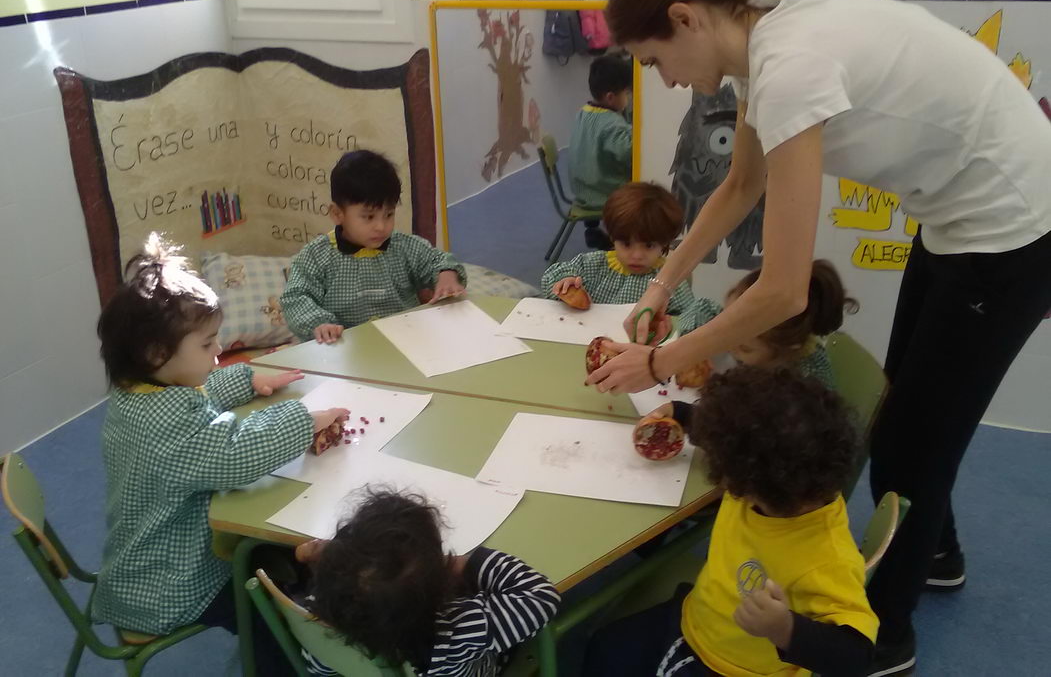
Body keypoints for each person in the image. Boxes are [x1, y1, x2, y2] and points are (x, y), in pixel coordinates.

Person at [586, 0, 1051, 675]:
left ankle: (886, 637)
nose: (665, 81)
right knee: (908, 412)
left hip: (1012, 229)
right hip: (956, 217)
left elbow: (782, 291)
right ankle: (936, 550)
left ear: (685, 19)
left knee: (906, 446)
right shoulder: (761, 43)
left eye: (654, 60)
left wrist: (663, 359)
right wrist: (660, 283)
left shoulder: (791, 67)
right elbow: (741, 184)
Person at [93, 234, 348, 674]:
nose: (218, 354)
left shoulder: (139, 394)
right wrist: (304, 419)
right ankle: (287, 664)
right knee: (268, 610)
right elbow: (236, 456)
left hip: (143, 563)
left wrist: (246, 382)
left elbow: (198, 397)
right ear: (156, 353)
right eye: (208, 344)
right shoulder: (167, 425)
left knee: (278, 556)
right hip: (171, 582)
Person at [584, 366, 877, 676]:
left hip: (733, 666)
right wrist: (680, 413)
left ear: (747, 483)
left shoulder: (828, 558)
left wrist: (785, 629)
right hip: (698, 615)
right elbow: (737, 433)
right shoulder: (780, 472)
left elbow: (855, 657)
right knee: (604, 649)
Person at [294, 489, 561, 676]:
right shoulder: (458, 626)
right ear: (442, 583)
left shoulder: (324, 608)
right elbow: (540, 596)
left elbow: (319, 668)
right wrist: (464, 562)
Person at [281, 149, 466, 343]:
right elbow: (295, 297)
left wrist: (446, 275)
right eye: (369, 217)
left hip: (406, 344)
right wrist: (319, 324)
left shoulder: (405, 247)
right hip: (343, 351)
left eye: (389, 214)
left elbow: (437, 260)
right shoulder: (316, 256)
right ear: (337, 214)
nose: (381, 226)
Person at [680, 259, 858, 387]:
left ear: (787, 349)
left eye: (744, 348)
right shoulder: (745, 329)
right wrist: (696, 345)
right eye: (725, 327)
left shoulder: (804, 383)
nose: (728, 342)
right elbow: (703, 306)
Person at [542, 182, 695, 322]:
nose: (636, 256)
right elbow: (550, 280)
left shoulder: (669, 279)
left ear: (664, 243)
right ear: (613, 237)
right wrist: (565, 281)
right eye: (626, 244)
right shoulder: (593, 265)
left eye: (648, 245)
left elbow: (688, 320)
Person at [568, 53, 635, 249]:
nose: (629, 98)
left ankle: (593, 228)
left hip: (582, 189)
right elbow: (629, 154)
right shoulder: (612, 124)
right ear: (611, 98)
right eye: (627, 93)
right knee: (640, 190)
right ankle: (619, 242)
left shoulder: (585, 111)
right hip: (602, 193)